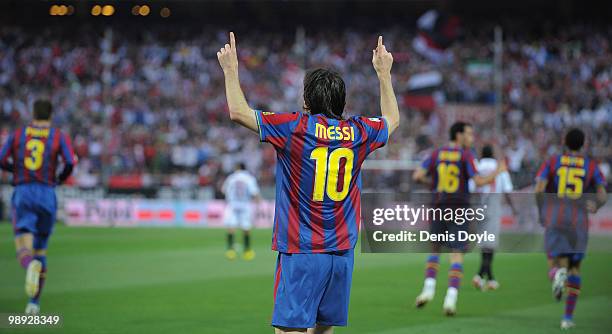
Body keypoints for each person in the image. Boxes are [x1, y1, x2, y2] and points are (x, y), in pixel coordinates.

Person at [217, 32, 399, 334]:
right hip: (341, 254)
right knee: (322, 329)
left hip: (302, 251)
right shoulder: (359, 132)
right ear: (342, 101)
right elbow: (392, 120)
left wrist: (230, 70)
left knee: (288, 330)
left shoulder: (293, 128)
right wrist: (384, 74)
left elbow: (238, 113)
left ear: (306, 100)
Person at [412, 122, 505, 316]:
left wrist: (433, 184)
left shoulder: (437, 154)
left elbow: (417, 175)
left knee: (435, 250)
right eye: (469, 134)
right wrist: (498, 171)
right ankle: (450, 299)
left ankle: (428, 290)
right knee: (457, 254)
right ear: (459, 135)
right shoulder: (466, 155)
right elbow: (478, 181)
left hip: (438, 207)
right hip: (459, 209)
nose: (471, 138)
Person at [0, 99, 76, 315]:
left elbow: (0, 158)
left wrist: (16, 170)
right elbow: (70, 162)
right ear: (51, 115)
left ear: (32, 113)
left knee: (22, 239)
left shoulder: (18, 135)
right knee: (41, 249)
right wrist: (59, 179)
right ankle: (33, 304)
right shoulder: (59, 136)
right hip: (47, 193)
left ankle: (27, 264)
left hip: (24, 191)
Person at [534, 128, 607, 330]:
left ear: (564, 142)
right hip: (579, 222)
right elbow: (602, 194)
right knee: (575, 268)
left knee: (553, 260)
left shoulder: (552, 161)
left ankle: (557, 273)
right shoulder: (591, 166)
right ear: (583, 144)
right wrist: (597, 205)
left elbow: (539, 189)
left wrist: (542, 211)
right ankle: (567, 318)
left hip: (556, 217)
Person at [470, 144, 516, 291]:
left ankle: (490, 278)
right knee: (490, 245)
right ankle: (479, 275)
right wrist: (513, 208)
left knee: (484, 244)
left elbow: (471, 186)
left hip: (477, 206)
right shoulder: (499, 167)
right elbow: (507, 190)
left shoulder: (476, 166)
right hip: (493, 205)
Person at [222, 162, 261, 261]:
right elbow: (254, 192)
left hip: (233, 204)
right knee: (246, 228)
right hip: (245, 204)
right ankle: (247, 251)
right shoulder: (249, 178)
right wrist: (258, 202)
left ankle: (230, 251)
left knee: (231, 227)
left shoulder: (231, 177)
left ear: (238, 168)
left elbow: (223, 190)